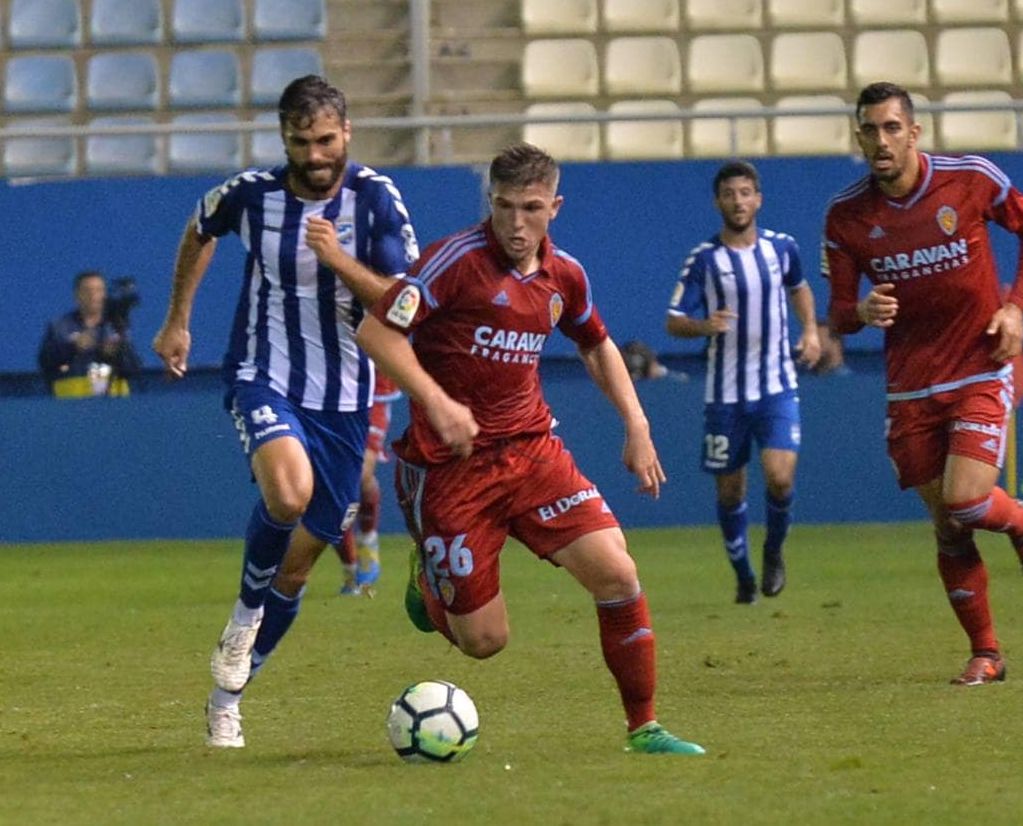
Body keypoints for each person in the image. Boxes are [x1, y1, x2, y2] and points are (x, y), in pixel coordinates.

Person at [356, 142, 704, 755]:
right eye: (505, 207)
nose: (516, 224)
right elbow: (375, 332)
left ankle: (643, 727)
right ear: (489, 202)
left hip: (531, 452)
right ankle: (430, 581)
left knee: (619, 573)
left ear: (555, 207)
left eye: (531, 208)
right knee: (484, 642)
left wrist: (637, 424)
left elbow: (596, 345)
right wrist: (437, 403)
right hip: (448, 469)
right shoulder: (452, 263)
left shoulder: (564, 275)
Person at [152, 75, 419, 748]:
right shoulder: (252, 195)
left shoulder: (376, 200)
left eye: (326, 140)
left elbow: (405, 301)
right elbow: (198, 226)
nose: (315, 154)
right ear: (285, 140)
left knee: (297, 570)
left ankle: (226, 698)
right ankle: (244, 616)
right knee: (287, 489)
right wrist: (177, 319)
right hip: (262, 372)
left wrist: (339, 261)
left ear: (346, 133)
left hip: (346, 399)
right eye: (301, 142)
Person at [822, 82, 1023, 686]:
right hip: (909, 386)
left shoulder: (969, 178)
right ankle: (987, 653)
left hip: (981, 364)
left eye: (892, 128)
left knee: (969, 500)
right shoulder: (845, 216)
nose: (881, 141)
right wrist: (862, 313)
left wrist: (1017, 307)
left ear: (914, 132)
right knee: (949, 526)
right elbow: (840, 314)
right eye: (870, 130)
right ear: (858, 137)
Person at [665, 160, 821, 604]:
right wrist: (705, 326)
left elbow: (800, 288)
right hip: (725, 394)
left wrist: (810, 329)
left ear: (758, 199)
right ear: (718, 201)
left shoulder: (782, 248)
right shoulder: (704, 259)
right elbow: (674, 321)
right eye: (730, 194)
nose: (738, 201)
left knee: (780, 476)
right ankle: (743, 574)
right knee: (731, 489)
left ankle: (773, 552)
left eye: (745, 192)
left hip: (776, 384)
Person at [333, 371, 398, 595]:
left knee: (358, 475)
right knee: (332, 485)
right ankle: (349, 566)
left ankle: (367, 539)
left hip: (373, 390)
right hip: (324, 388)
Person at [37, 271, 142, 397]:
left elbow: (133, 368)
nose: (93, 295)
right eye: (87, 290)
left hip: (113, 405)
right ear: (77, 295)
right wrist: (72, 348)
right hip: (71, 405)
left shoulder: (117, 326)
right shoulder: (60, 326)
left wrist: (116, 354)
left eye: (99, 290)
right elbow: (45, 362)